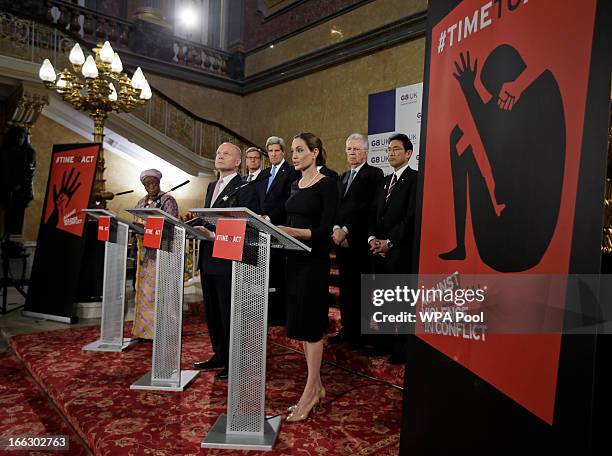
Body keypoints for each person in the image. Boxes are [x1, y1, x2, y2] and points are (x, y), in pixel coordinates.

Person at [278, 132, 338, 422]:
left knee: (312, 328)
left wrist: (292, 232)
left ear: (315, 153)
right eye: (293, 150)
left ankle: (310, 391)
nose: (295, 155)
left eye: (300, 150)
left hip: (313, 264)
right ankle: (317, 385)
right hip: (293, 261)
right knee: (301, 326)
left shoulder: (327, 185)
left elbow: (326, 232)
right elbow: (290, 222)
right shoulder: (294, 184)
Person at [192, 142, 258, 380]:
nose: (220, 156)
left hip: (228, 256)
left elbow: (245, 223)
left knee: (228, 311)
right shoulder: (212, 186)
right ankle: (219, 354)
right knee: (212, 311)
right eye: (218, 153)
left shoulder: (245, 187)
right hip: (208, 255)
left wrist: (214, 230)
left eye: (226, 153)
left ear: (238, 162)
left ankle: (235, 361)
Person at [329, 133, 384, 348]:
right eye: (349, 149)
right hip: (341, 244)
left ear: (366, 152)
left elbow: (368, 208)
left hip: (359, 242)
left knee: (361, 290)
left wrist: (346, 230)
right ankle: (348, 329)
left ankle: (361, 335)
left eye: (356, 149)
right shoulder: (343, 176)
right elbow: (337, 207)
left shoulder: (374, 174)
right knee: (346, 289)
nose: (352, 153)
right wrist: (336, 230)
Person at [368, 133, 417, 364]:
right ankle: (384, 343)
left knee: (401, 302)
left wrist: (390, 242)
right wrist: (373, 240)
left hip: (401, 251)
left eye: (396, 149)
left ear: (409, 153)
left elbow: (411, 217)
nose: (390, 153)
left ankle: (402, 349)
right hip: (380, 251)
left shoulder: (415, 179)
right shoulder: (385, 181)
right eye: (388, 150)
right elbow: (375, 214)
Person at [257, 136, 299, 325]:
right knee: (265, 272)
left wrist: (270, 217)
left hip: (279, 226)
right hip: (260, 225)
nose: (273, 154)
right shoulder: (264, 173)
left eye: (277, 151)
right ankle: (266, 311)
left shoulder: (290, 171)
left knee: (278, 272)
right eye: (270, 151)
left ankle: (278, 314)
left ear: (282, 152)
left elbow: (288, 200)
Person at [132, 169, 179, 340]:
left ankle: (163, 329)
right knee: (144, 292)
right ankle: (144, 330)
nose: (151, 186)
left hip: (162, 252)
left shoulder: (167, 201)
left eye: (154, 183)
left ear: (159, 183)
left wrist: (153, 226)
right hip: (144, 253)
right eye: (147, 184)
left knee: (161, 291)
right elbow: (135, 221)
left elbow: (173, 225)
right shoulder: (140, 202)